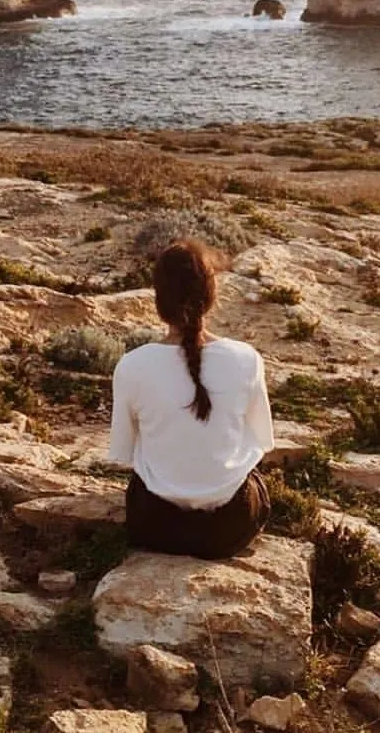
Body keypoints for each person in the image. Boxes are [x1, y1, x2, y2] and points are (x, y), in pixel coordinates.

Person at [107, 239, 274, 559]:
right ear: (211, 297)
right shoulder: (247, 358)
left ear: (158, 302)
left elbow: (123, 452)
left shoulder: (132, 365)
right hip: (230, 527)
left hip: (155, 525)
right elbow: (262, 441)